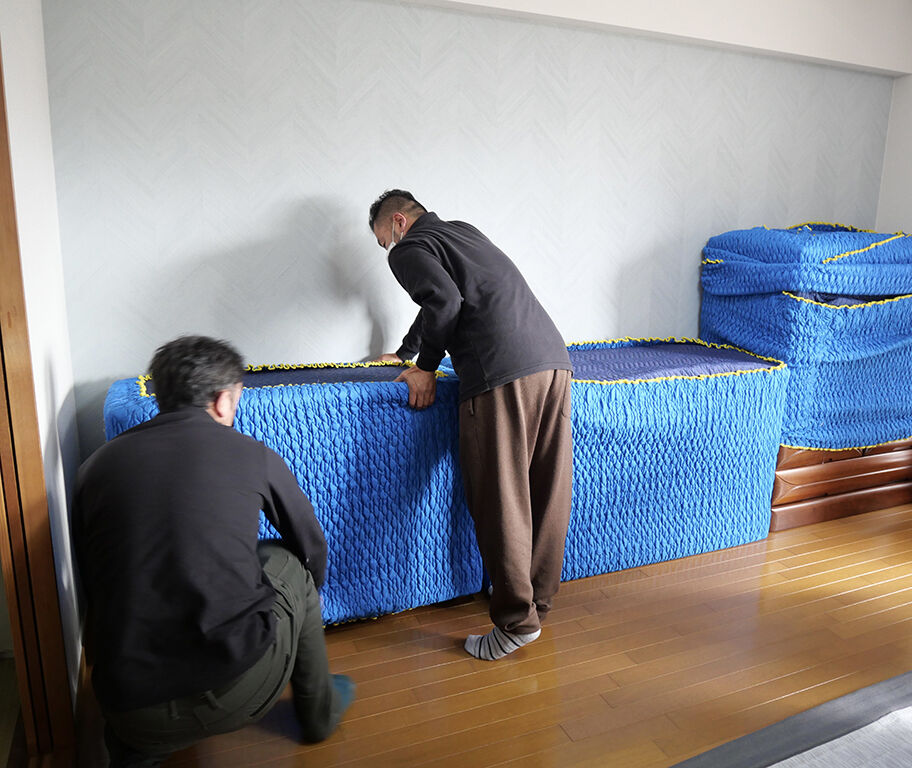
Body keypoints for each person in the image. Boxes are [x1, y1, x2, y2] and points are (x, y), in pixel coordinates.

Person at [73, 335, 354, 767]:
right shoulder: (251, 454)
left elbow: (94, 576)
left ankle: (138, 751)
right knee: (289, 562)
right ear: (223, 400)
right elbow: (311, 547)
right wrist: (301, 603)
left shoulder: (96, 466)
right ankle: (319, 712)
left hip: (128, 704)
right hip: (237, 690)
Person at [368, 189, 573, 661]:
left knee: (500, 495)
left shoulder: (408, 249)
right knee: (546, 489)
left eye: (384, 241)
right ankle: (537, 600)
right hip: (552, 361)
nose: (389, 251)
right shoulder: (462, 232)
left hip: (500, 371)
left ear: (398, 222)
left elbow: (443, 301)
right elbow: (443, 299)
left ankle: (516, 622)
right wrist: (406, 351)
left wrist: (425, 366)